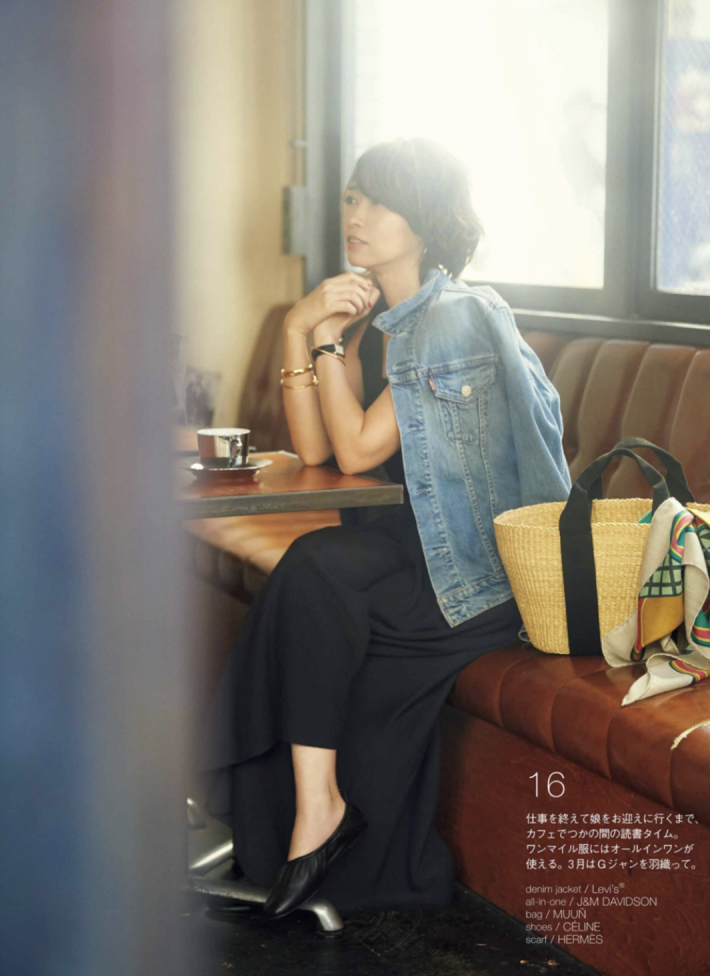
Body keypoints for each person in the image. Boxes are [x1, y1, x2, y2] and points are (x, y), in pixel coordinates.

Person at [199, 138, 571, 918]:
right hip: (411, 557)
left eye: (378, 201)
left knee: (314, 569)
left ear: (425, 222)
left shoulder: (453, 318)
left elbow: (358, 449)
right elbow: (314, 450)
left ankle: (310, 811)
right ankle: (310, 815)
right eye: (352, 198)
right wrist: (300, 326)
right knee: (310, 579)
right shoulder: (391, 325)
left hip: (473, 576)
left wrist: (322, 336)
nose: (356, 215)